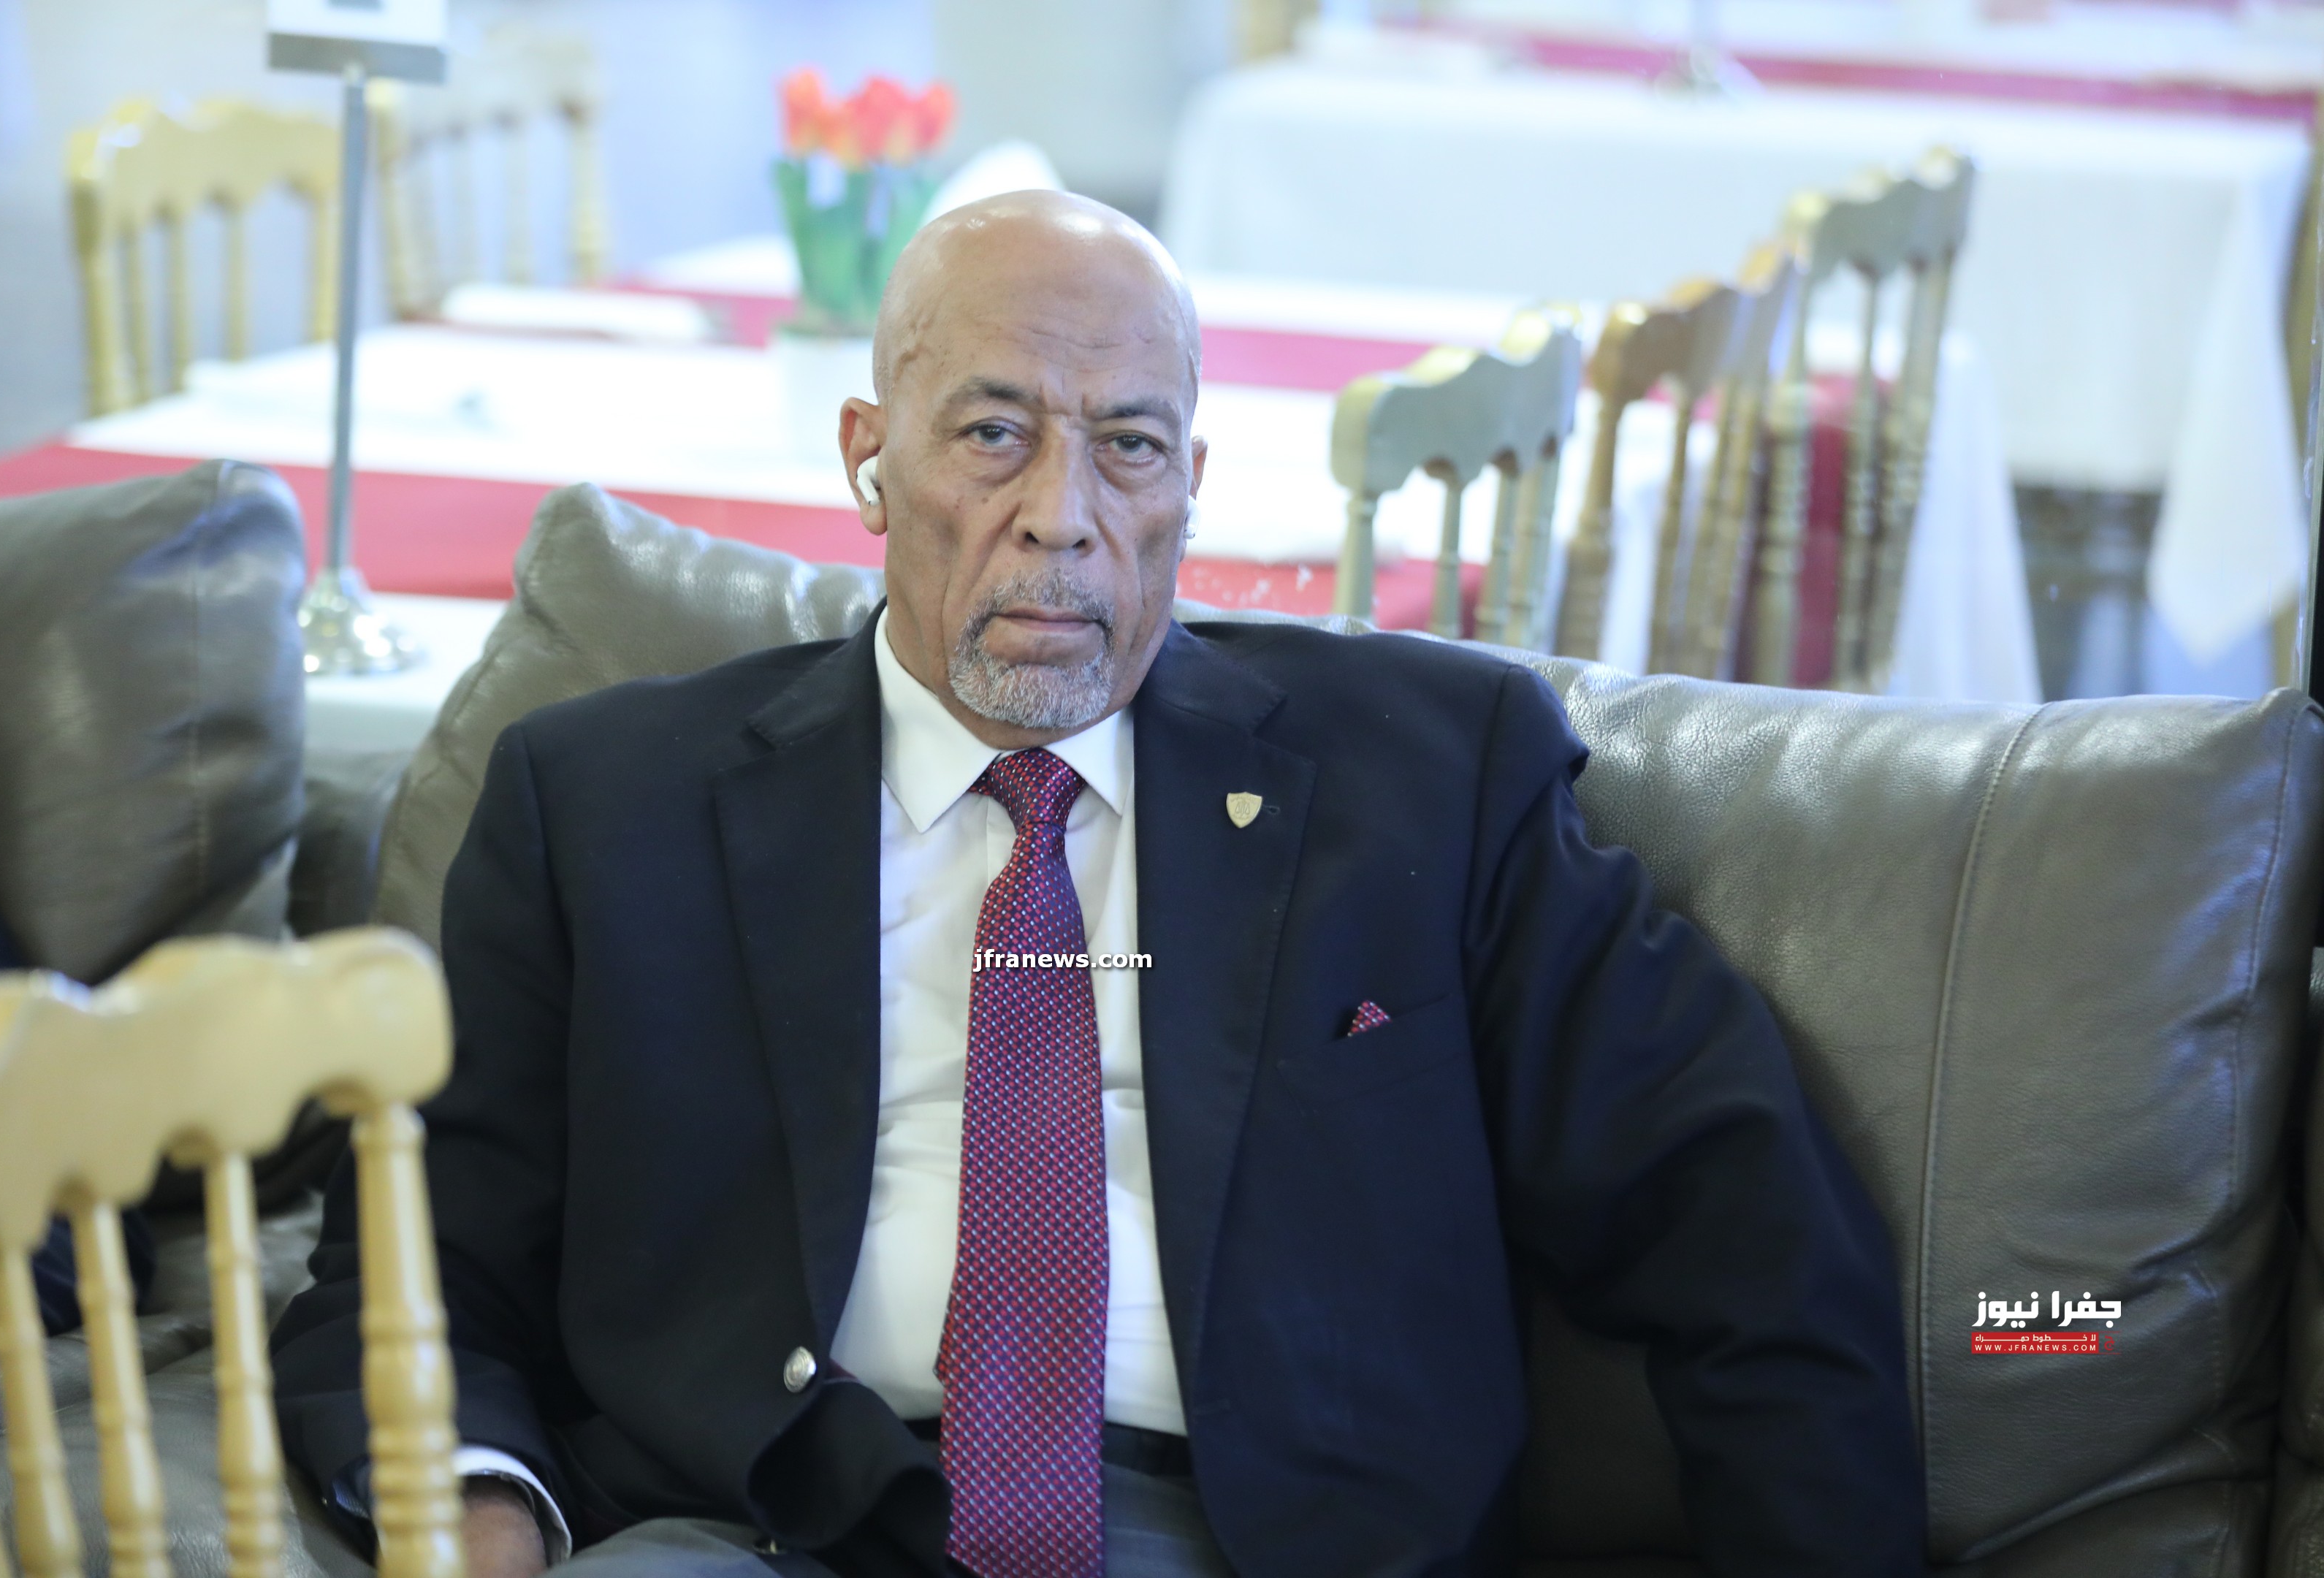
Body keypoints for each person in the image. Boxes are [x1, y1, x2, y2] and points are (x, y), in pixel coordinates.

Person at [270, 191, 1925, 1577]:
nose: (1061, 519)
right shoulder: (608, 803)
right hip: (759, 1525)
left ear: (1192, 480)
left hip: (1258, 1539)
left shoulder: (1428, 779)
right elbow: (415, 1265)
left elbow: (1748, 1228)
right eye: (993, 434)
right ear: (869, 457)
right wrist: (479, 1507)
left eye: (1127, 447)